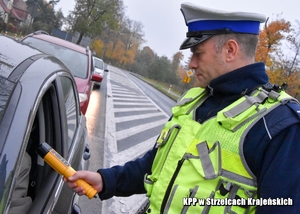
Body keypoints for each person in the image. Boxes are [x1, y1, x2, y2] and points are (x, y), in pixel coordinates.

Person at [65, 2, 300, 213]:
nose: (191, 64)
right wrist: (106, 180)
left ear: (230, 50)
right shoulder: (195, 101)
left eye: (198, 54)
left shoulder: (279, 125)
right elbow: (156, 165)